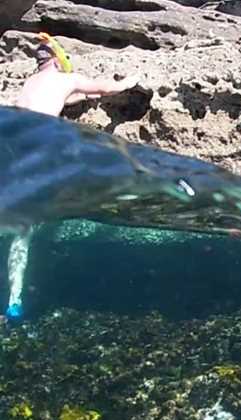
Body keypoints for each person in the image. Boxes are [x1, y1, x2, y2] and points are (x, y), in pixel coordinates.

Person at [5, 33, 140, 322]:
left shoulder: (32, 82)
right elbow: (106, 89)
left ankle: (15, 298)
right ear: (58, 59)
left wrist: (82, 94)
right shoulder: (66, 78)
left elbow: (65, 97)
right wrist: (128, 81)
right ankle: (14, 302)